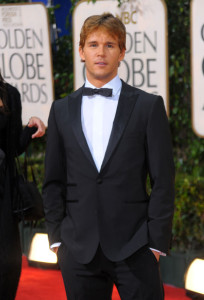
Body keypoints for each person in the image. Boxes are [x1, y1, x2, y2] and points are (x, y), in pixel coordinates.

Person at [43, 13, 175, 300]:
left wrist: (155, 244)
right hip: (77, 250)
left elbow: (164, 180)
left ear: (122, 52)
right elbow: (53, 180)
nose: (100, 52)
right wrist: (56, 240)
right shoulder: (61, 110)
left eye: (110, 45)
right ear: (81, 52)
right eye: (92, 44)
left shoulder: (148, 106)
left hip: (136, 246)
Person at [0, 71, 45, 300]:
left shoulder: (9, 94)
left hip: (3, 193)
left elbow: (13, 148)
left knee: (7, 263)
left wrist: (30, 129)